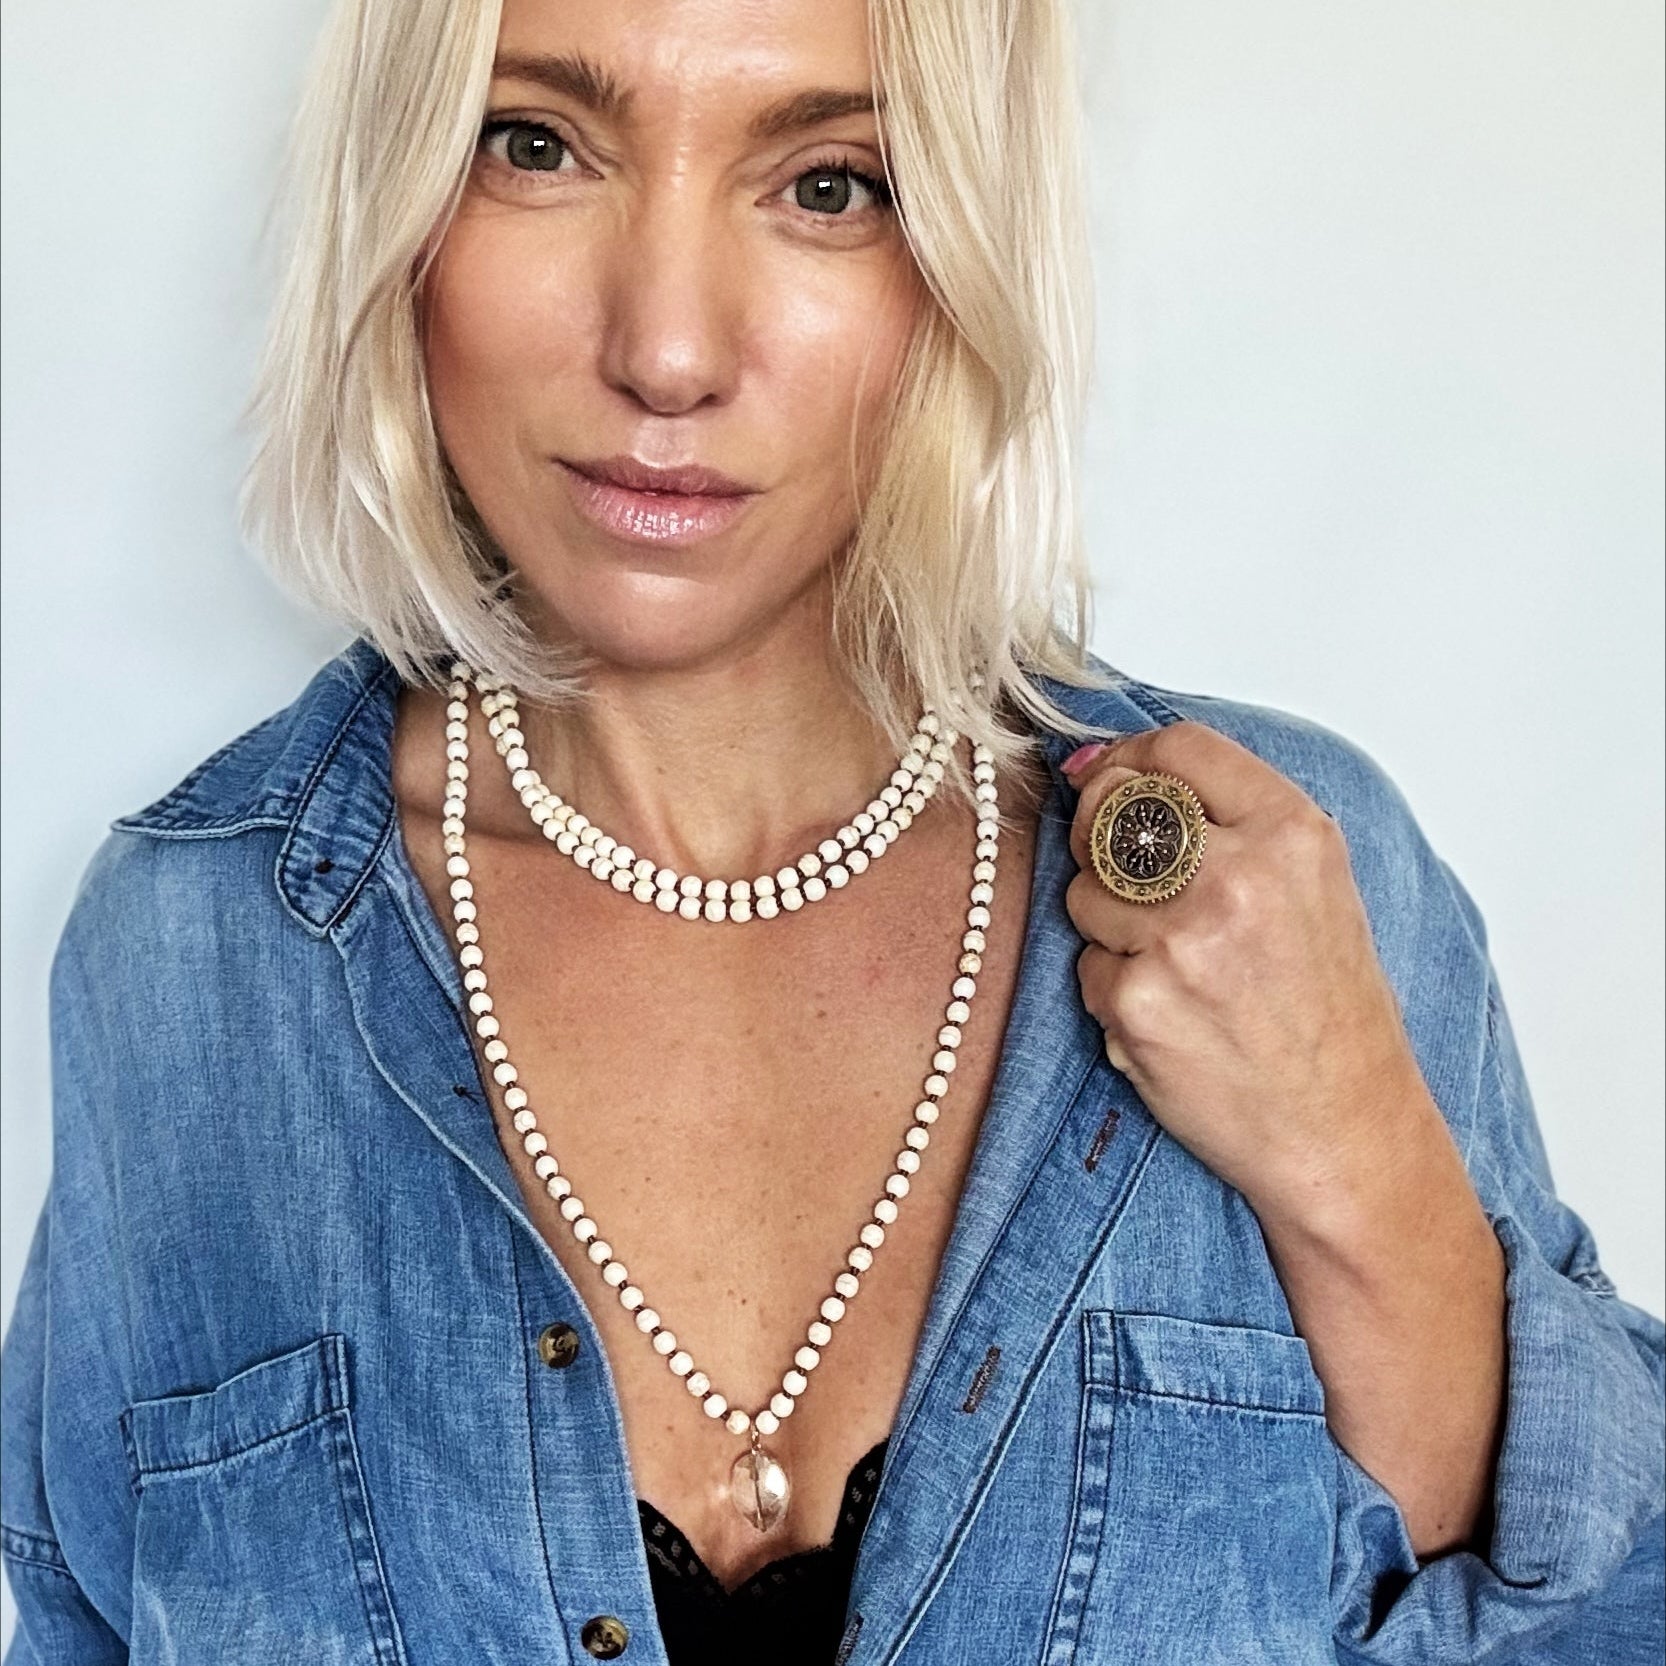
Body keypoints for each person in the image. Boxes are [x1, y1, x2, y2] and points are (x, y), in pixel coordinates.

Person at [2, 0, 1661, 1660]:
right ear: (401, 200)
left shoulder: (1281, 882)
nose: (666, 347)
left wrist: (1363, 1167)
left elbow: (1589, 1622)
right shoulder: (194, 951)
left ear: (956, 246)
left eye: (828, 184)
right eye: (537, 145)